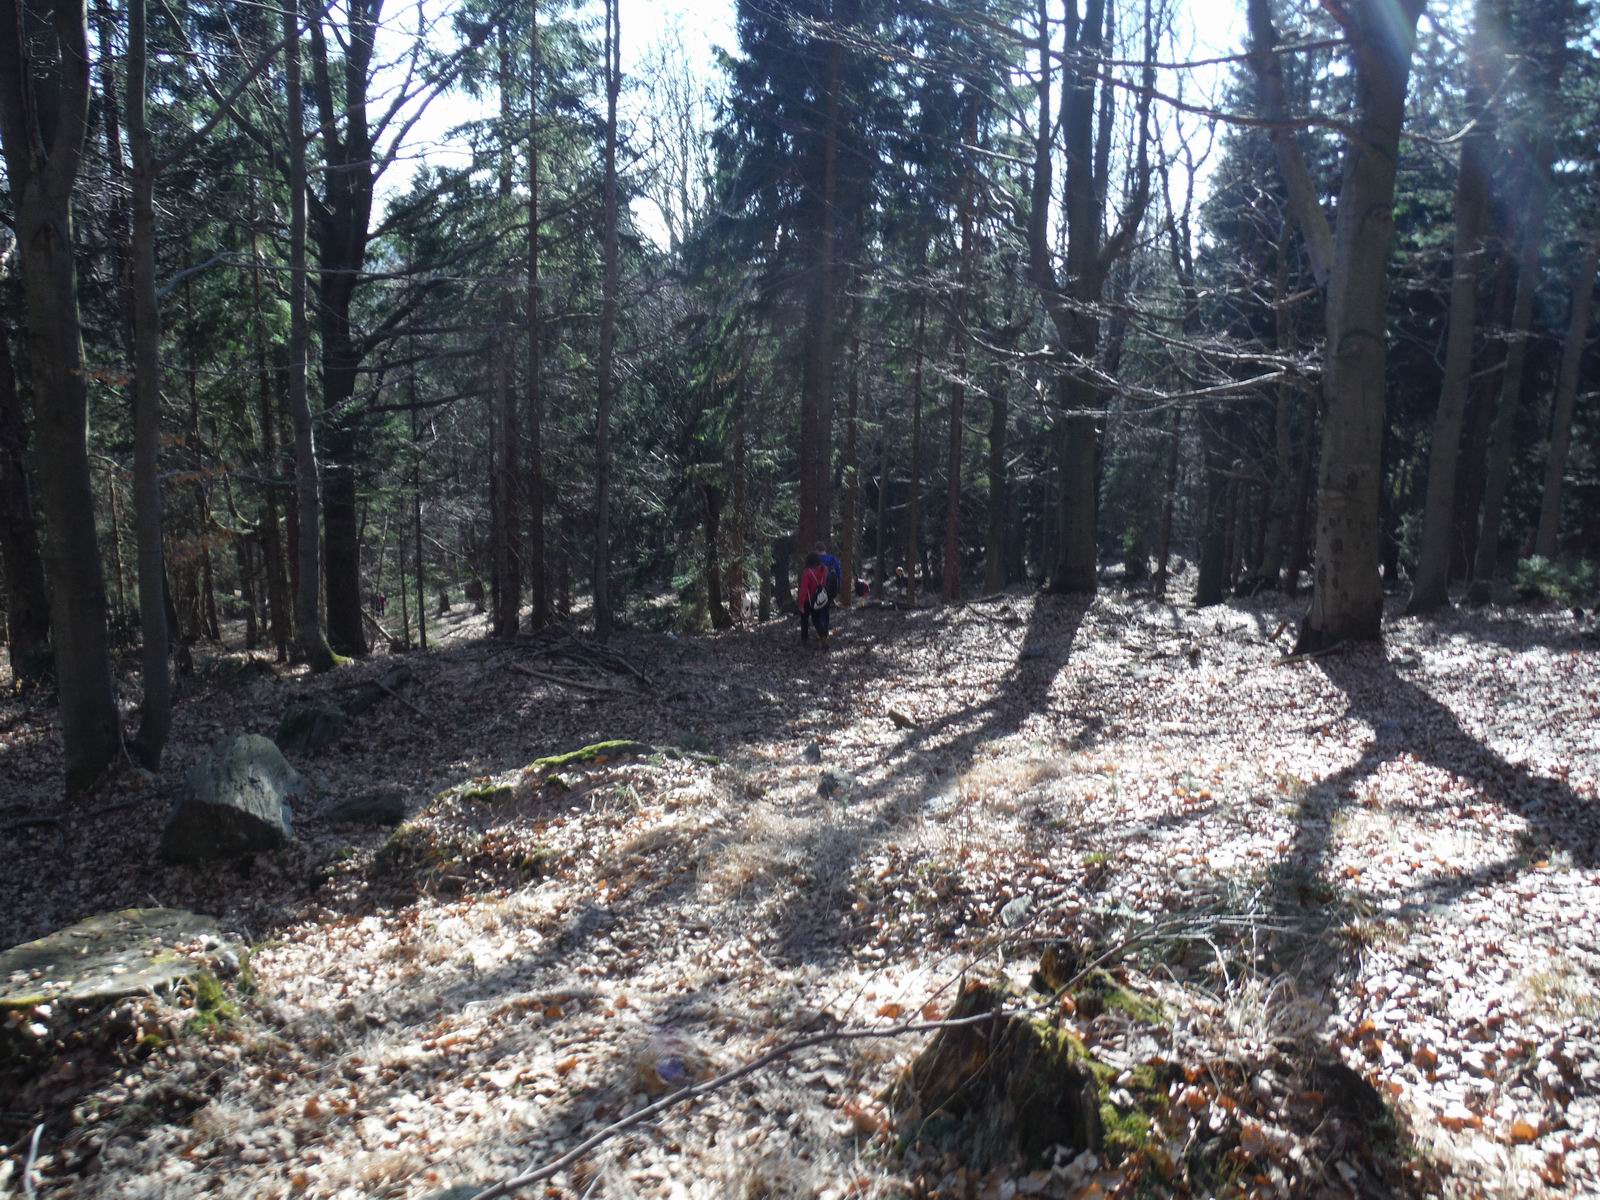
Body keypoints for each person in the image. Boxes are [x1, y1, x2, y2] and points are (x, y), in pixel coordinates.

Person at [797, 552, 831, 647]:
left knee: (804, 620)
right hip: (819, 599)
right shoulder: (824, 570)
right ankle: (824, 637)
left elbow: (804, 589)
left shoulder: (808, 572)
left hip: (807, 601)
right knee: (816, 619)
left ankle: (804, 640)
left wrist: (801, 604)